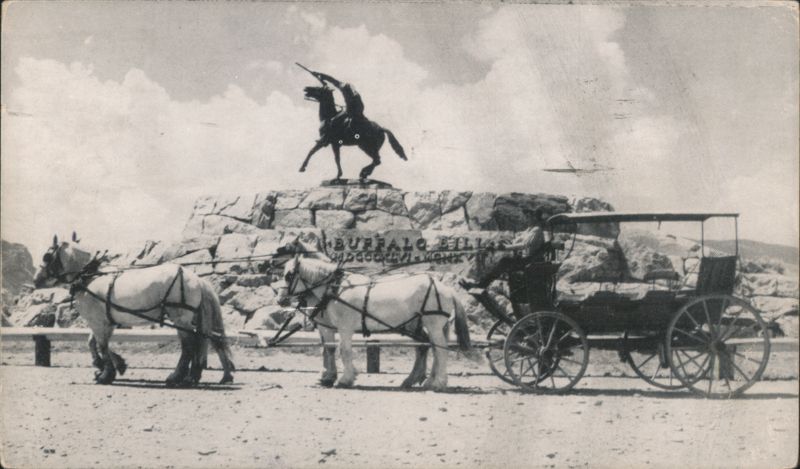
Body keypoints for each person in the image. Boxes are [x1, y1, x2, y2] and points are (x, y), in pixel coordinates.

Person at [461, 211, 549, 290]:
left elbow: (524, 245)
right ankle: (482, 283)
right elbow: (515, 241)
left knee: (504, 262)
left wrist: (505, 248)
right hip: (524, 259)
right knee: (501, 261)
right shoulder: (528, 230)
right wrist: (496, 246)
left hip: (530, 261)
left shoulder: (537, 230)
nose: (526, 219)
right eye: (526, 216)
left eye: (528, 216)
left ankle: (482, 284)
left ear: (534, 218)